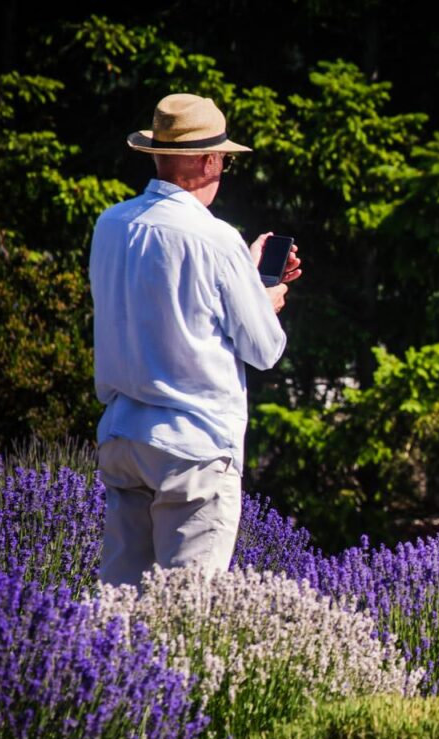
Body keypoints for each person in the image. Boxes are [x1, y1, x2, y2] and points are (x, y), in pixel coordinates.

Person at [90, 94, 303, 587]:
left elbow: (162, 302)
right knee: (188, 618)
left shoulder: (111, 225)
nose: (223, 169)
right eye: (224, 160)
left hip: (124, 434)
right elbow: (264, 347)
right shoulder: (215, 237)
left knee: (119, 612)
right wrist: (265, 297)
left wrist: (243, 276)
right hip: (194, 447)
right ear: (208, 160)